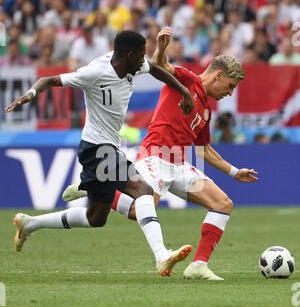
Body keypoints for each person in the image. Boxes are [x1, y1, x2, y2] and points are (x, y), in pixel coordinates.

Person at [63, 27, 259, 281]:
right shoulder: (188, 80)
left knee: (223, 204)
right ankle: (94, 185)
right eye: (230, 86)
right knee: (137, 211)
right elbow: (160, 65)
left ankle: (198, 265)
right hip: (155, 158)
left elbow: (204, 149)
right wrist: (162, 48)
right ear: (218, 75)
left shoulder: (206, 110)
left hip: (179, 166)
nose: (229, 93)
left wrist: (234, 172)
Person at [5, 30, 195, 277]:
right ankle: (161, 255)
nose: (143, 61)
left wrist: (184, 90)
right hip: (97, 149)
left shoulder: (133, 66)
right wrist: (29, 94)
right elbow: (50, 80)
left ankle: (31, 224)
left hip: (105, 148)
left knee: (95, 218)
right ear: (129, 55)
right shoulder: (94, 72)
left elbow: (156, 70)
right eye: (140, 56)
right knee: (143, 190)